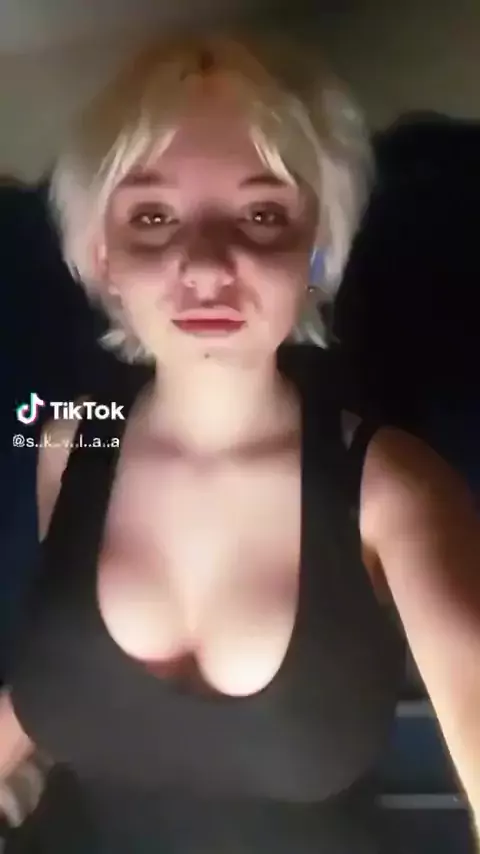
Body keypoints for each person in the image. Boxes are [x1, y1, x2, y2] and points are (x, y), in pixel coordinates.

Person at [1, 31, 479, 854]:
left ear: (315, 252)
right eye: (153, 217)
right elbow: (61, 676)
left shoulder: (390, 487)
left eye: (261, 215)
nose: (206, 267)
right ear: (104, 258)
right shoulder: (71, 436)